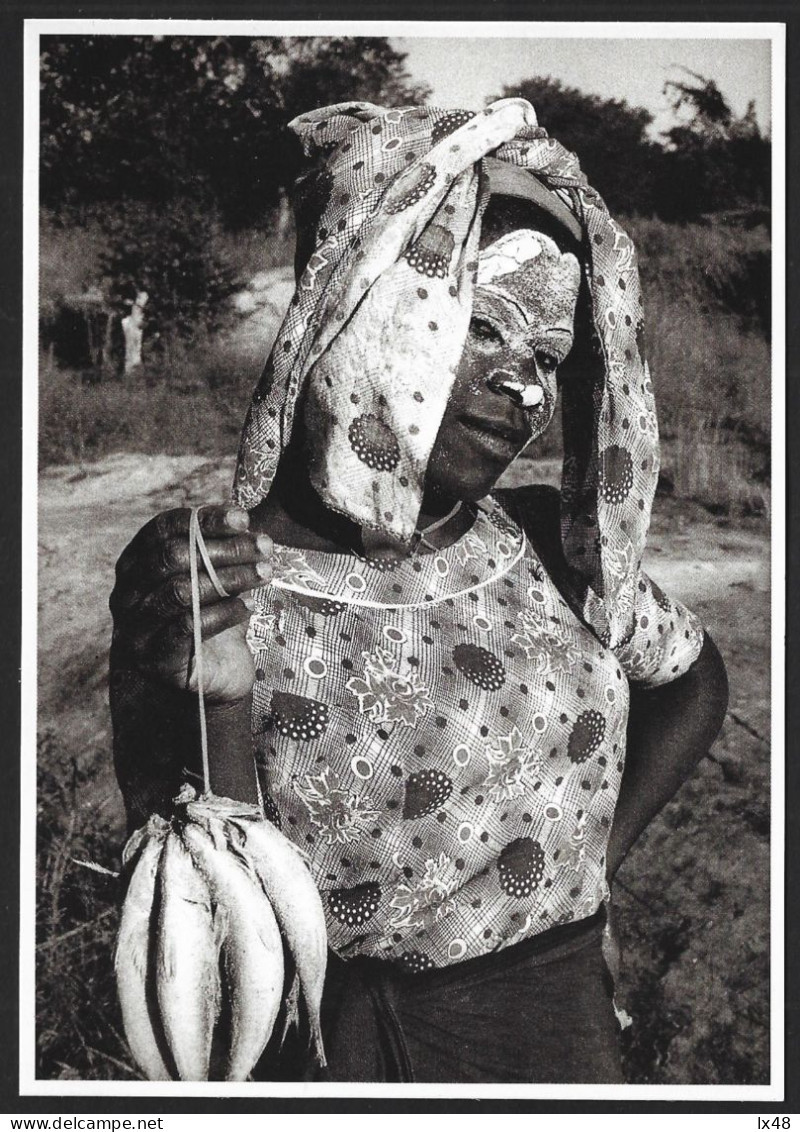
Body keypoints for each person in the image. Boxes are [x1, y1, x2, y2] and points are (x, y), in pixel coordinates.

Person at [109, 98, 728, 1084]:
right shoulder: (207, 579)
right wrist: (213, 698)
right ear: (374, 304)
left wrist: (586, 872)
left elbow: (694, 682)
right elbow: (209, 906)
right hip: (357, 1056)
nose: (524, 394)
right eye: (485, 328)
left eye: (546, 360)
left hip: (563, 1034)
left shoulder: (543, 546)